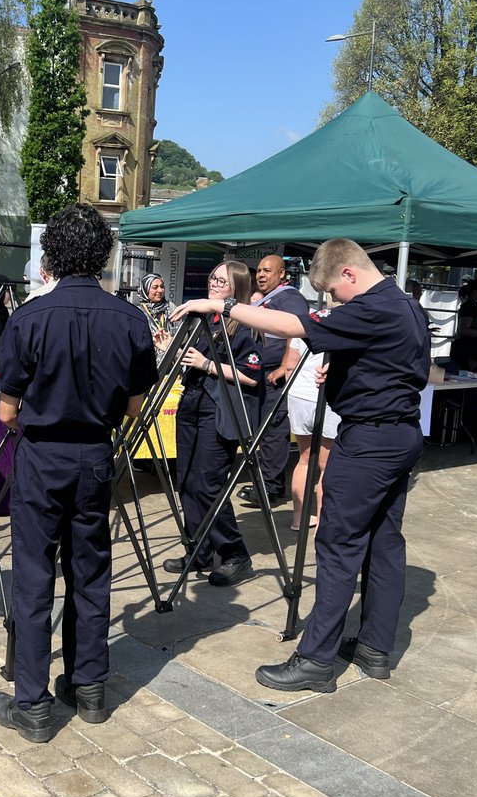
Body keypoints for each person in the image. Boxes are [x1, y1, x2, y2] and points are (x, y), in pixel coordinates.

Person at [173, 238, 429, 693]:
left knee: (338, 545)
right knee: (385, 543)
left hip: (369, 440)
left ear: (349, 273)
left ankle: (315, 660)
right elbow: (404, 366)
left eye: (334, 291)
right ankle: (374, 647)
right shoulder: (407, 306)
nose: (334, 301)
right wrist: (351, 369)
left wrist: (223, 304)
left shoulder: (370, 306)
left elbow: (292, 323)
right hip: (402, 433)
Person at [0, 203, 157, 743]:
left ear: (50, 255)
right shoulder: (131, 319)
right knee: (91, 571)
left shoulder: (29, 317)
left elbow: (7, 411)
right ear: (102, 255)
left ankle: (32, 704)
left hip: (43, 456)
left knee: (34, 577)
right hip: (95, 456)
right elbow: (134, 406)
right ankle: (89, 688)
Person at [162, 262, 262, 584]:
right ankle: (199, 551)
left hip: (218, 411)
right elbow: (191, 362)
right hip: (191, 404)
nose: (215, 284)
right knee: (187, 481)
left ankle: (235, 554)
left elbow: (252, 377)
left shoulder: (244, 324)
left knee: (208, 484)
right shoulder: (206, 319)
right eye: (213, 277)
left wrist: (208, 364)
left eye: (223, 280)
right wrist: (170, 349)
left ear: (236, 289)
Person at [237, 254, 309, 509]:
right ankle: (266, 483)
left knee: (272, 431)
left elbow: (298, 330)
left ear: (282, 274)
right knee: (264, 432)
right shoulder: (269, 299)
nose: (261, 275)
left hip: (275, 378)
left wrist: (283, 365)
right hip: (260, 374)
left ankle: (270, 489)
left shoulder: (289, 298)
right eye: (259, 271)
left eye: (268, 271)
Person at [284, 338, 341, 532]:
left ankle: (299, 518)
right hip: (325, 397)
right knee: (327, 466)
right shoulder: (348, 322)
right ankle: (323, 523)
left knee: (304, 459)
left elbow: (290, 366)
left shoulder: (305, 324)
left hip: (298, 396)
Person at [137, 271, 177, 356]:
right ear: (145, 289)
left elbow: (181, 335)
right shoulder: (138, 311)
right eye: (155, 287)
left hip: (170, 360)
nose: (160, 290)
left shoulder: (170, 307)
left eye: (162, 287)